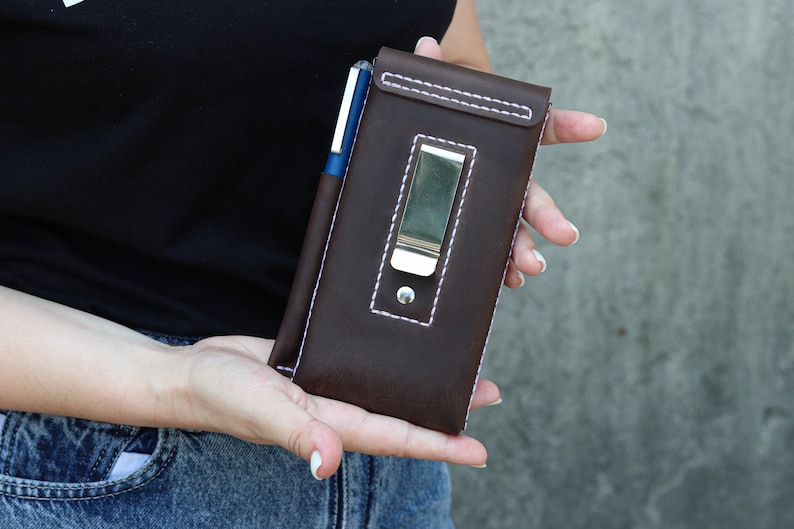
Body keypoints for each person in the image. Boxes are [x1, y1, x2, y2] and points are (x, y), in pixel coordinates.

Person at [0, 0, 605, 527]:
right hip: (97, 467)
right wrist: (173, 380)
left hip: (390, 459)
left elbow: (456, 51)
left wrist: (474, 151)